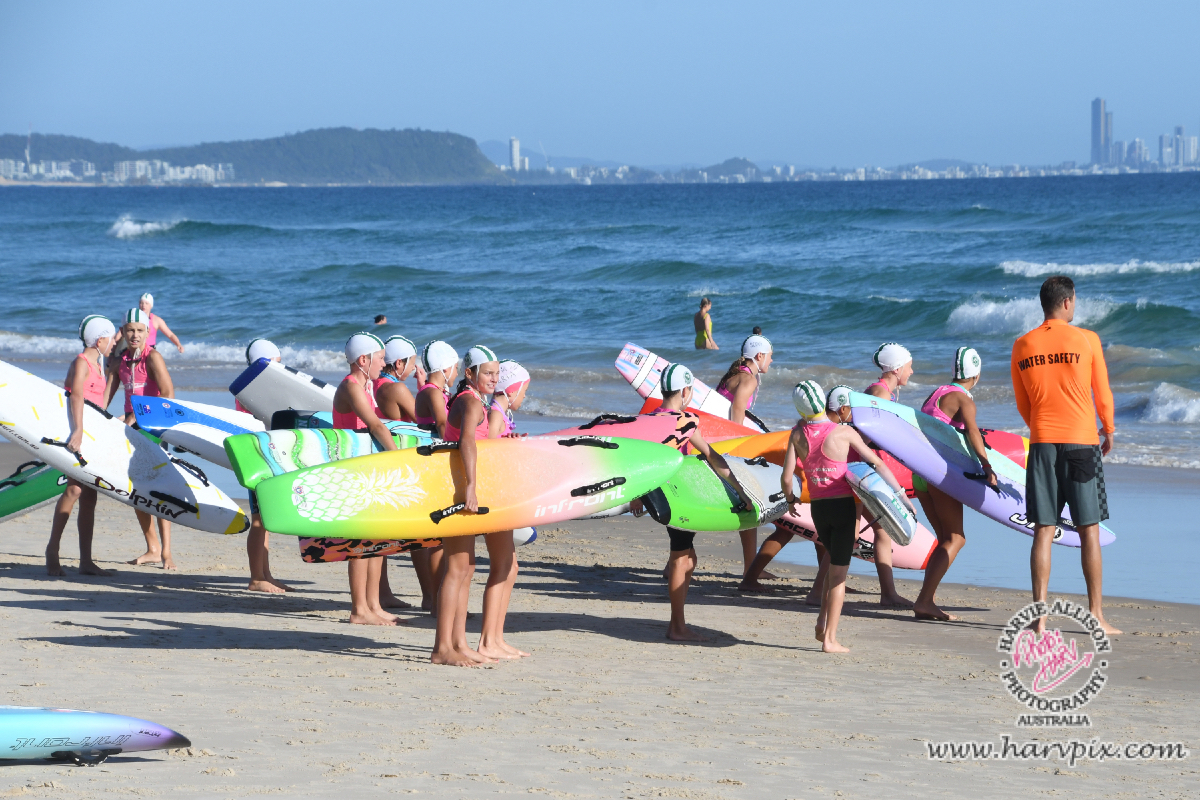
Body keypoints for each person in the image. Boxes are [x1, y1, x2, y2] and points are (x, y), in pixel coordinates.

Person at [1011, 276, 1120, 636]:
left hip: (1042, 443)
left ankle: (1039, 617)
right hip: (1081, 445)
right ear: (1068, 302)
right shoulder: (1086, 339)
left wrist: (1042, 430)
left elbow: (1023, 403)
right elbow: (1102, 392)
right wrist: (1108, 428)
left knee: (1044, 529)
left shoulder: (1022, 345)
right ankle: (1096, 616)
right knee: (1089, 529)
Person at [784, 381, 914, 653]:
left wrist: (790, 499)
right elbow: (876, 463)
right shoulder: (842, 432)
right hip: (843, 509)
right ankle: (830, 640)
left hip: (819, 510)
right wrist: (900, 497)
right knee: (839, 577)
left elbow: (787, 478)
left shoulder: (797, 434)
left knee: (833, 567)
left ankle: (821, 624)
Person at [631, 363, 754, 642]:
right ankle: (677, 626)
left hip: (658, 495)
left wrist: (637, 496)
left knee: (688, 558)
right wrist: (741, 491)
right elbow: (713, 457)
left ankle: (678, 623)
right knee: (680, 559)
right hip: (680, 498)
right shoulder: (686, 421)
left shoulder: (647, 419)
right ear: (685, 391)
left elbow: (637, 462)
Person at [909, 348, 997, 620]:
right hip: (939, 473)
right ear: (976, 375)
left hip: (919, 473)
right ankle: (924, 601)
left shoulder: (936, 394)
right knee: (956, 539)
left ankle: (927, 599)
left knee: (945, 540)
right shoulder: (963, 399)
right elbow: (973, 432)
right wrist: (987, 467)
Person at [432, 346, 503, 666]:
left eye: (497, 373)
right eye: (487, 373)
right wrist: (472, 486)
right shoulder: (471, 402)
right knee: (457, 568)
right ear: (470, 373)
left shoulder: (469, 400)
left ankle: (458, 643)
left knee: (467, 567)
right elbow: (467, 443)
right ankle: (441, 648)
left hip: (460, 489)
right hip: (458, 492)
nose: (494, 378)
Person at [332, 332, 404, 626]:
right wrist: (399, 458)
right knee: (361, 542)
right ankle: (359, 609)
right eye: (380, 358)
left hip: (368, 470)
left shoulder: (366, 386)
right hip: (352, 472)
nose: (384, 363)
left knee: (376, 540)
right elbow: (375, 425)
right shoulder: (351, 387)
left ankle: (374, 604)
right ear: (363, 360)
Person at [45, 316, 119, 578]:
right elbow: (75, 395)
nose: (113, 344)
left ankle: (85, 561)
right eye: (110, 339)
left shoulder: (99, 365)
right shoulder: (82, 362)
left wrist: (112, 374)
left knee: (89, 497)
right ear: (100, 340)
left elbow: (100, 405)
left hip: (92, 436)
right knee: (74, 489)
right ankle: (52, 550)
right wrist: (77, 430)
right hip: (78, 433)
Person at [110, 308, 178, 569]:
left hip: (152, 429)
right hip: (132, 429)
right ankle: (153, 549)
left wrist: (137, 417)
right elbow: (104, 399)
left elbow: (168, 394)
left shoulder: (153, 357)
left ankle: (167, 552)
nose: (135, 335)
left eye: (140, 330)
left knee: (160, 488)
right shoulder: (120, 362)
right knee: (137, 489)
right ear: (123, 332)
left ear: (148, 332)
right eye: (130, 330)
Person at [715, 334, 774, 576]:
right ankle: (751, 568)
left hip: (714, 442)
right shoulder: (749, 379)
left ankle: (751, 566)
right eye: (770, 356)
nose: (771, 361)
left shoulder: (734, 374)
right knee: (749, 501)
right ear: (759, 356)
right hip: (726, 446)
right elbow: (737, 408)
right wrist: (736, 447)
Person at [239, 339, 292, 593]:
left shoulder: (254, 385)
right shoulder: (251, 388)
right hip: (257, 455)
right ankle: (255, 578)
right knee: (259, 520)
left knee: (265, 519)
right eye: (276, 363)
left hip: (266, 453)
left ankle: (265, 574)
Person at [414, 340, 459, 439]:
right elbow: (442, 424)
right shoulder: (433, 392)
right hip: (435, 445)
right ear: (446, 367)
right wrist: (453, 447)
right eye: (456, 367)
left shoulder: (433, 391)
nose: (457, 373)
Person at [374, 335, 424, 422]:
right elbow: (423, 420)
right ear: (399, 363)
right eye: (412, 364)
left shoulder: (372, 382)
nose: (413, 368)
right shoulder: (397, 389)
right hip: (398, 431)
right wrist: (423, 387)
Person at [114, 293, 184, 353]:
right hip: (135, 349)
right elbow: (119, 335)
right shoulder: (134, 317)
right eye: (141, 303)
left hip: (150, 350)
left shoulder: (156, 320)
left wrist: (178, 344)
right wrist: (113, 351)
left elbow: (170, 335)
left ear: (151, 305)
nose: (143, 305)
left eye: (146, 303)